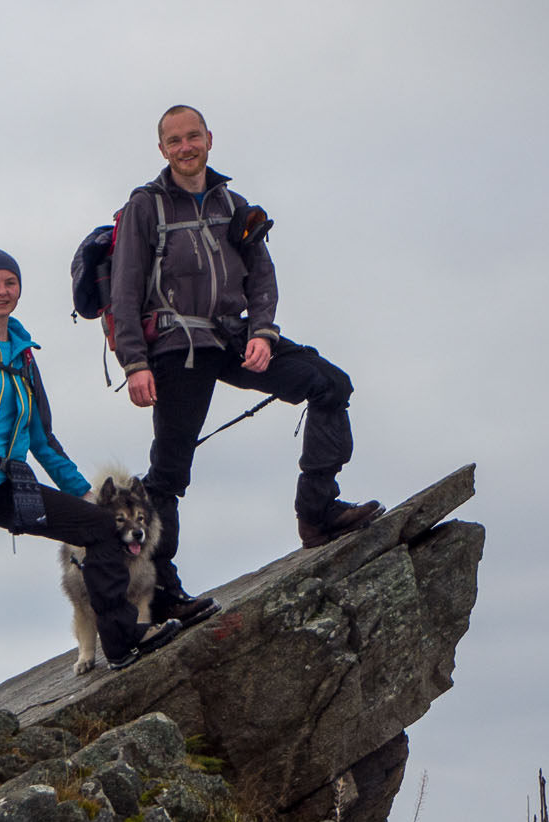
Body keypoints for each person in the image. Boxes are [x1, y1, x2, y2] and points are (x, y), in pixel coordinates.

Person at [110, 105, 380, 624]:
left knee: (329, 385)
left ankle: (318, 512)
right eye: (174, 141)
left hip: (232, 335)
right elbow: (124, 291)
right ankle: (162, 591)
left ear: (210, 138)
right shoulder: (147, 206)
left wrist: (262, 330)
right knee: (169, 471)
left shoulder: (234, 204)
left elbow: (262, 276)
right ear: (162, 149)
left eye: (194, 137)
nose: (186, 147)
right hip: (175, 343)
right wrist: (134, 362)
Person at [0, 248, 180, 694]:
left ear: (19, 289)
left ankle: (121, 640)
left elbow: (42, 439)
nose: (1, 292)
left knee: (99, 526)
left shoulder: (23, 354)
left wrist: (84, 495)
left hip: (4, 485)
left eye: (9, 283)